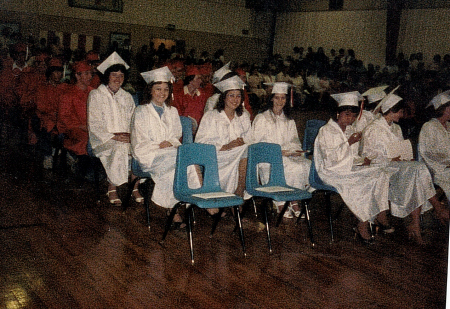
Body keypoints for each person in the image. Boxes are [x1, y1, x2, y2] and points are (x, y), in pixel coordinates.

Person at [362, 93, 449, 244]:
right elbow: (368, 154)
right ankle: (436, 208)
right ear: (390, 110)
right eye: (400, 112)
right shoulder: (373, 129)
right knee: (418, 170)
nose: (402, 115)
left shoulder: (396, 128)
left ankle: (415, 224)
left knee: (417, 172)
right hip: (381, 168)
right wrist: (389, 158)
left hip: (397, 166)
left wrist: (405, 157)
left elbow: (401, 148)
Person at [314, 91, 395, 243]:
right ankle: (363, 223)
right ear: (338, 113)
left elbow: (352, 156)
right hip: (331, 172)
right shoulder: (326, 130)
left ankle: (378, 214)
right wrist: (348, 143)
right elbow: (329, 158)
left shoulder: (351, 130)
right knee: (363, 182)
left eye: (352, 116)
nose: (350, 119)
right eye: (346, 115)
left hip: (348, 168)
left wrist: (362, 159)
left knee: (380, 173)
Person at [131, 66, 198, 223]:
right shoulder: (141, 111)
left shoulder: (172, 111)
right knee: (182, 162)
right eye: (158, 89)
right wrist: (159, 146)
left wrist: (170, 143)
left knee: (178, 164)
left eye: (166, 89)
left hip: (169, 152)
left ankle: (172, 208)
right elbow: (138, 140)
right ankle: (189, 200)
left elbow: (176, 135)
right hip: (149, 155)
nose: (162, 93)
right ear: (150, 91)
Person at [250, 82, 312, 218]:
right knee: (292, 168)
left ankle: (293, 200)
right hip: (267, 160)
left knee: (305, 165)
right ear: (271, 98)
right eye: (277, 98)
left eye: (283, 98)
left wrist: (295, 151)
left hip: (287, 156)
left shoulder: (289, 120)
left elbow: (294, 141)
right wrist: (278, 153)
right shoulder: (261, 118)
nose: (280, 101)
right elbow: (256, 145)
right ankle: (281, 201)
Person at [87, 52, 141, 205]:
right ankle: (112, 187)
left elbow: (134, 121)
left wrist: (131, 136)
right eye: (114, 75)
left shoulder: (127, 96)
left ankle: (135, 186)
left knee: (140, 147)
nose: (118, 79)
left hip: (125, 138)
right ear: (107, 76)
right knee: (120, 147)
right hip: (103, 140)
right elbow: (95, 123)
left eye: (121, 76)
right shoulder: (96, 95)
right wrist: (115, 136)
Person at [195, 75, 251, 201]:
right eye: (231, 95)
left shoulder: (244, 116)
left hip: (239, 156)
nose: (235, 100)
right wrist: (226, 146)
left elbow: (251, 139)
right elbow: (200, 142)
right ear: (224, 97)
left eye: (238, 96)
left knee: (246, 149)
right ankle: (236, 195)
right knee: (245, 152)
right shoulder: (211, 116)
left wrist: (243, 141)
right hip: (217, 156)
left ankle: (239, 189)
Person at [58, 60, 93, 175]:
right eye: (86, 73)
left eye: (90, 73)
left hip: (90, 127)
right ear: (77, 76)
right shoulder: (68, 94)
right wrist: (81, 126)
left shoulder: (93, 92)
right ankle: (79, 166)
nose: (90, 76)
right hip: (73, 128)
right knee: (86, 139)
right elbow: (64, 118)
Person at [35, 58, 68, 168]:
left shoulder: (64, 87)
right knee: (46, 128)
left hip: (61, 118)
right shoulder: (42, 87)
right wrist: (54, 112)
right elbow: (41, 106)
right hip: (47, 118)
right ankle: (47, 155)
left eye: (60, 71)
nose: (58, 74)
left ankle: (67, 153)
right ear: (50, 73)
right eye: (55, 71)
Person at [419, 91, 450, 207]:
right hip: (439, 170)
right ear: (444, 109)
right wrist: (447, 162)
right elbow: (427, 153)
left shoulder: (449, 126)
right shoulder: (429, 126)